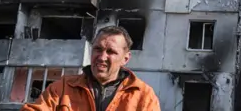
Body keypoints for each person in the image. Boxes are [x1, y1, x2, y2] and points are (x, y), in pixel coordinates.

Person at [20, 25, 160, 111]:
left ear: (125, 58)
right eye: (98, 49)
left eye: (111, 52)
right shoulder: (63, 87)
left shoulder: (143, 95)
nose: (102, 57)